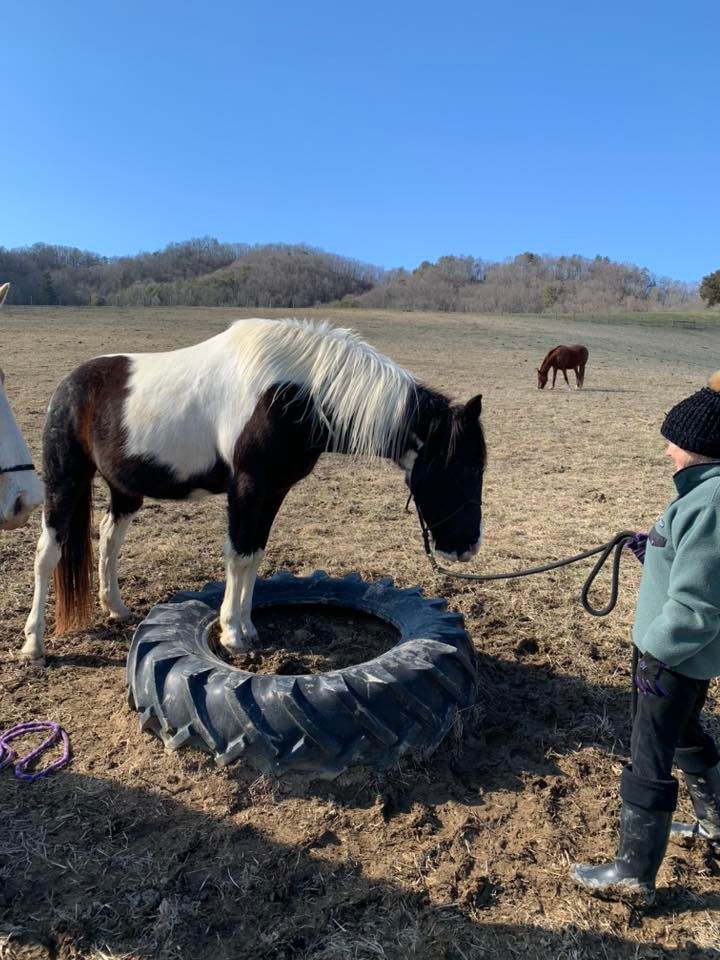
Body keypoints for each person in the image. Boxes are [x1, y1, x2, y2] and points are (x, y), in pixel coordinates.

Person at [571, 372, 720, 906]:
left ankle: (634, 872)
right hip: (683, 656)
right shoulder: (705, 494)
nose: (667, 451)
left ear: (702, 450)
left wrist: (656, 653)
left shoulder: (713, 502)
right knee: (683, 733)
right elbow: (693, 564)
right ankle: (715, 818)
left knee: (649, 750)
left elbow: (700, 603)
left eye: (674, 442)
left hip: (672, 656)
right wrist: (652, 545)